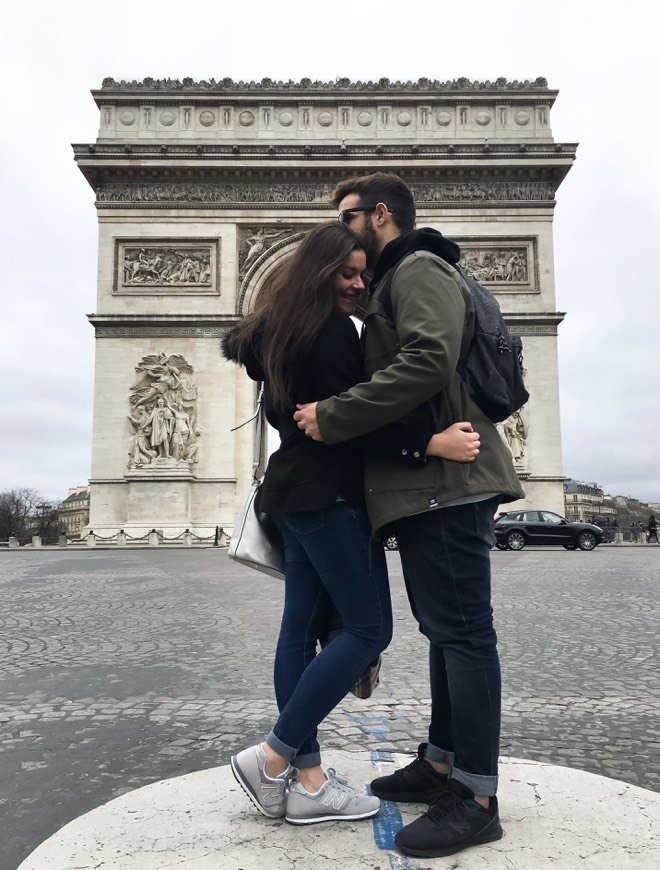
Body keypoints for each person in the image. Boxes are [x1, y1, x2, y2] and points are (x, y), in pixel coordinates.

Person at [294, 173, 525, 858]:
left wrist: (335, 416)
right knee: (444, 631)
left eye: (347, 216)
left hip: (447, 482)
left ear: (381, 214)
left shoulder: (418, 267)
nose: (340, 229)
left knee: (464, 633)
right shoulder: (396, 280)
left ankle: (477, 797)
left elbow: (429, 359)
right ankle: (443, 762)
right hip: (427, 485)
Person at [222, 221, 481, 827]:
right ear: (317, 271)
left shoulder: (277, 333)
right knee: (368, 629)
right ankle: (274, 755)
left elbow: (314, 416)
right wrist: (429, 442)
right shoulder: (332, 332)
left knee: (299, 633)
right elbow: (350, 418)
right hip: (332, 495)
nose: (359, 284)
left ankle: (308, 781)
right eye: (347, 272)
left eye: (363, 272)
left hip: (292, 495)